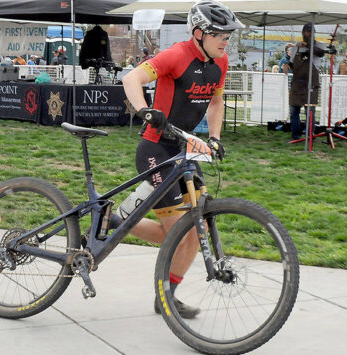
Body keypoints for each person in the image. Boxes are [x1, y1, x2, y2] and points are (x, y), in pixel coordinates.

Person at [122, 0, 243, 319]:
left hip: (185, 147)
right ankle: (117, 221)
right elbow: (131, 79)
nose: (226, 41)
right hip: (156, 149)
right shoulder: (177, 54)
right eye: (221, 35)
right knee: (177, 231)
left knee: (196, 226)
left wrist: (215, 137)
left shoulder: (221, 61)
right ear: (200, 33)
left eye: (228, 36)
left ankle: (166, 296)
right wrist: (144, 111)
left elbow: (216, 102)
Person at [288, 23, 336, 140]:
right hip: (297, 83)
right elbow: (292, 64)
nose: (307, 34)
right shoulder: (296, 47)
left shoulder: (319, 45)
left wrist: (308, 45)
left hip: (311, 83)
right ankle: (296, 135)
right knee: (294, 110)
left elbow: (320, 53)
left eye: (309, 32)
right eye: (305, 32)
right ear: (302, 33)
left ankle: (310, 135)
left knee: (310, 111)